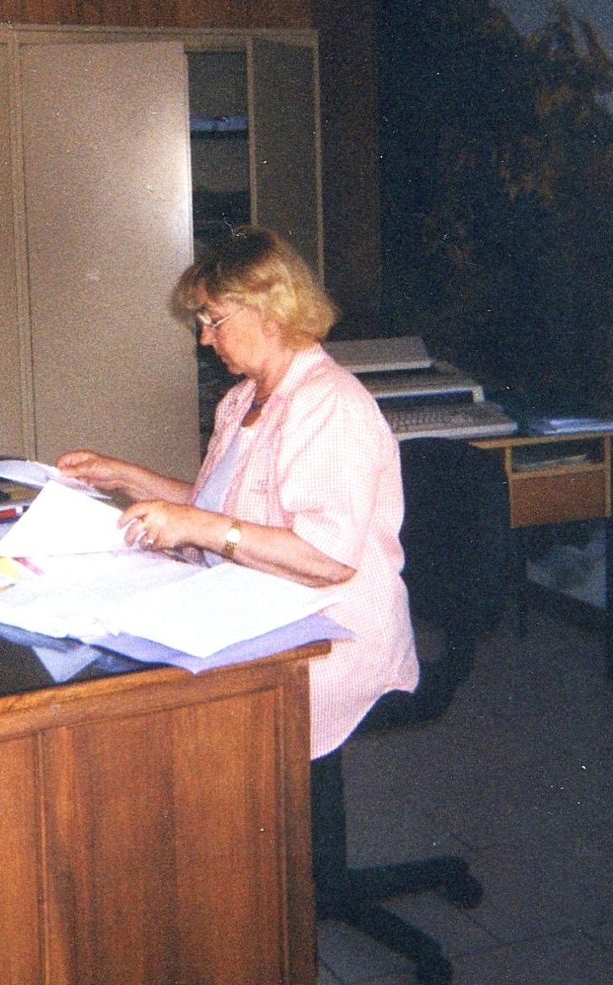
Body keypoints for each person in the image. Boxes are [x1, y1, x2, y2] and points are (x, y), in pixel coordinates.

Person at [57, 226, 418, 915]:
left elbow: (326, 557)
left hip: (334, 633)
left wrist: (198, 528)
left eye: (214, 320)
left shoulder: (329, 404)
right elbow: (220, 507)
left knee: (174, 712)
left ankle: (243, 906)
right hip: (264, 610)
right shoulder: (244, 400)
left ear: (271, 311)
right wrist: (125, 476)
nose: (204, 339)